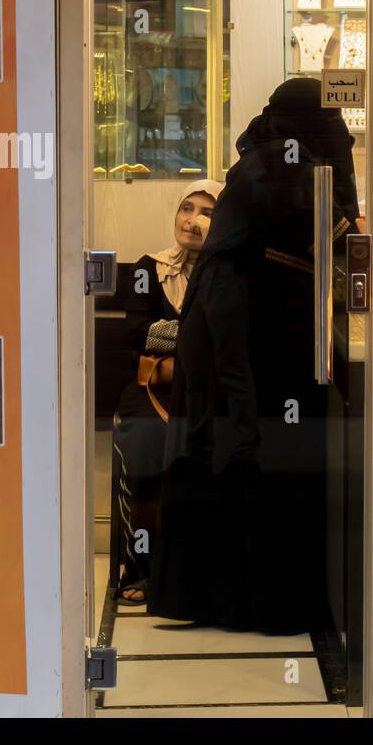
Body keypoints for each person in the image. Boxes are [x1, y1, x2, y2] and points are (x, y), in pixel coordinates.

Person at [148, 78, 358, 635]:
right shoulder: (281, 162)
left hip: (244, 319)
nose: (340, 134)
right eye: (330, 120)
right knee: (250, 440)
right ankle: (257, 601)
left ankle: (227, 596)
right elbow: (313, 230)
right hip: (240, 324)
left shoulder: (279, 156)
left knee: (244, 440)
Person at [111, 179, 223, 606]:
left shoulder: (224, 271)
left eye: (207, 213)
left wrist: (173, 337)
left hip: (200, 392)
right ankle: (140, 566)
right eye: (186, 208)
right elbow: (135, 331)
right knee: (144, 443)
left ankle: (194, 570)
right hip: (152, 388)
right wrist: (195, 337)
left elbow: (229, 335)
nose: (192, 221)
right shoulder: (147, 269)